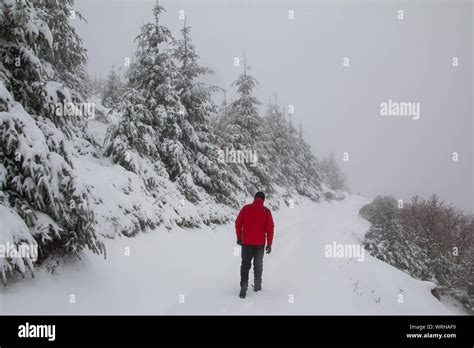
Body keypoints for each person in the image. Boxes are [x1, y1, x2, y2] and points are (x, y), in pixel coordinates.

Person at [235, 191, 274, 299]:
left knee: (245, 264)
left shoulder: (246, 208)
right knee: (258, 265)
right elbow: (270, 229)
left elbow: (238, 223)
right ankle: (257, 286)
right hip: (260, 244)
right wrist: (269, 244)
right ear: (263, 200)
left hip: (246, 242)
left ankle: (243, 286)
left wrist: (239, 237)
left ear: (255, 198)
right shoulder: (266, 211)